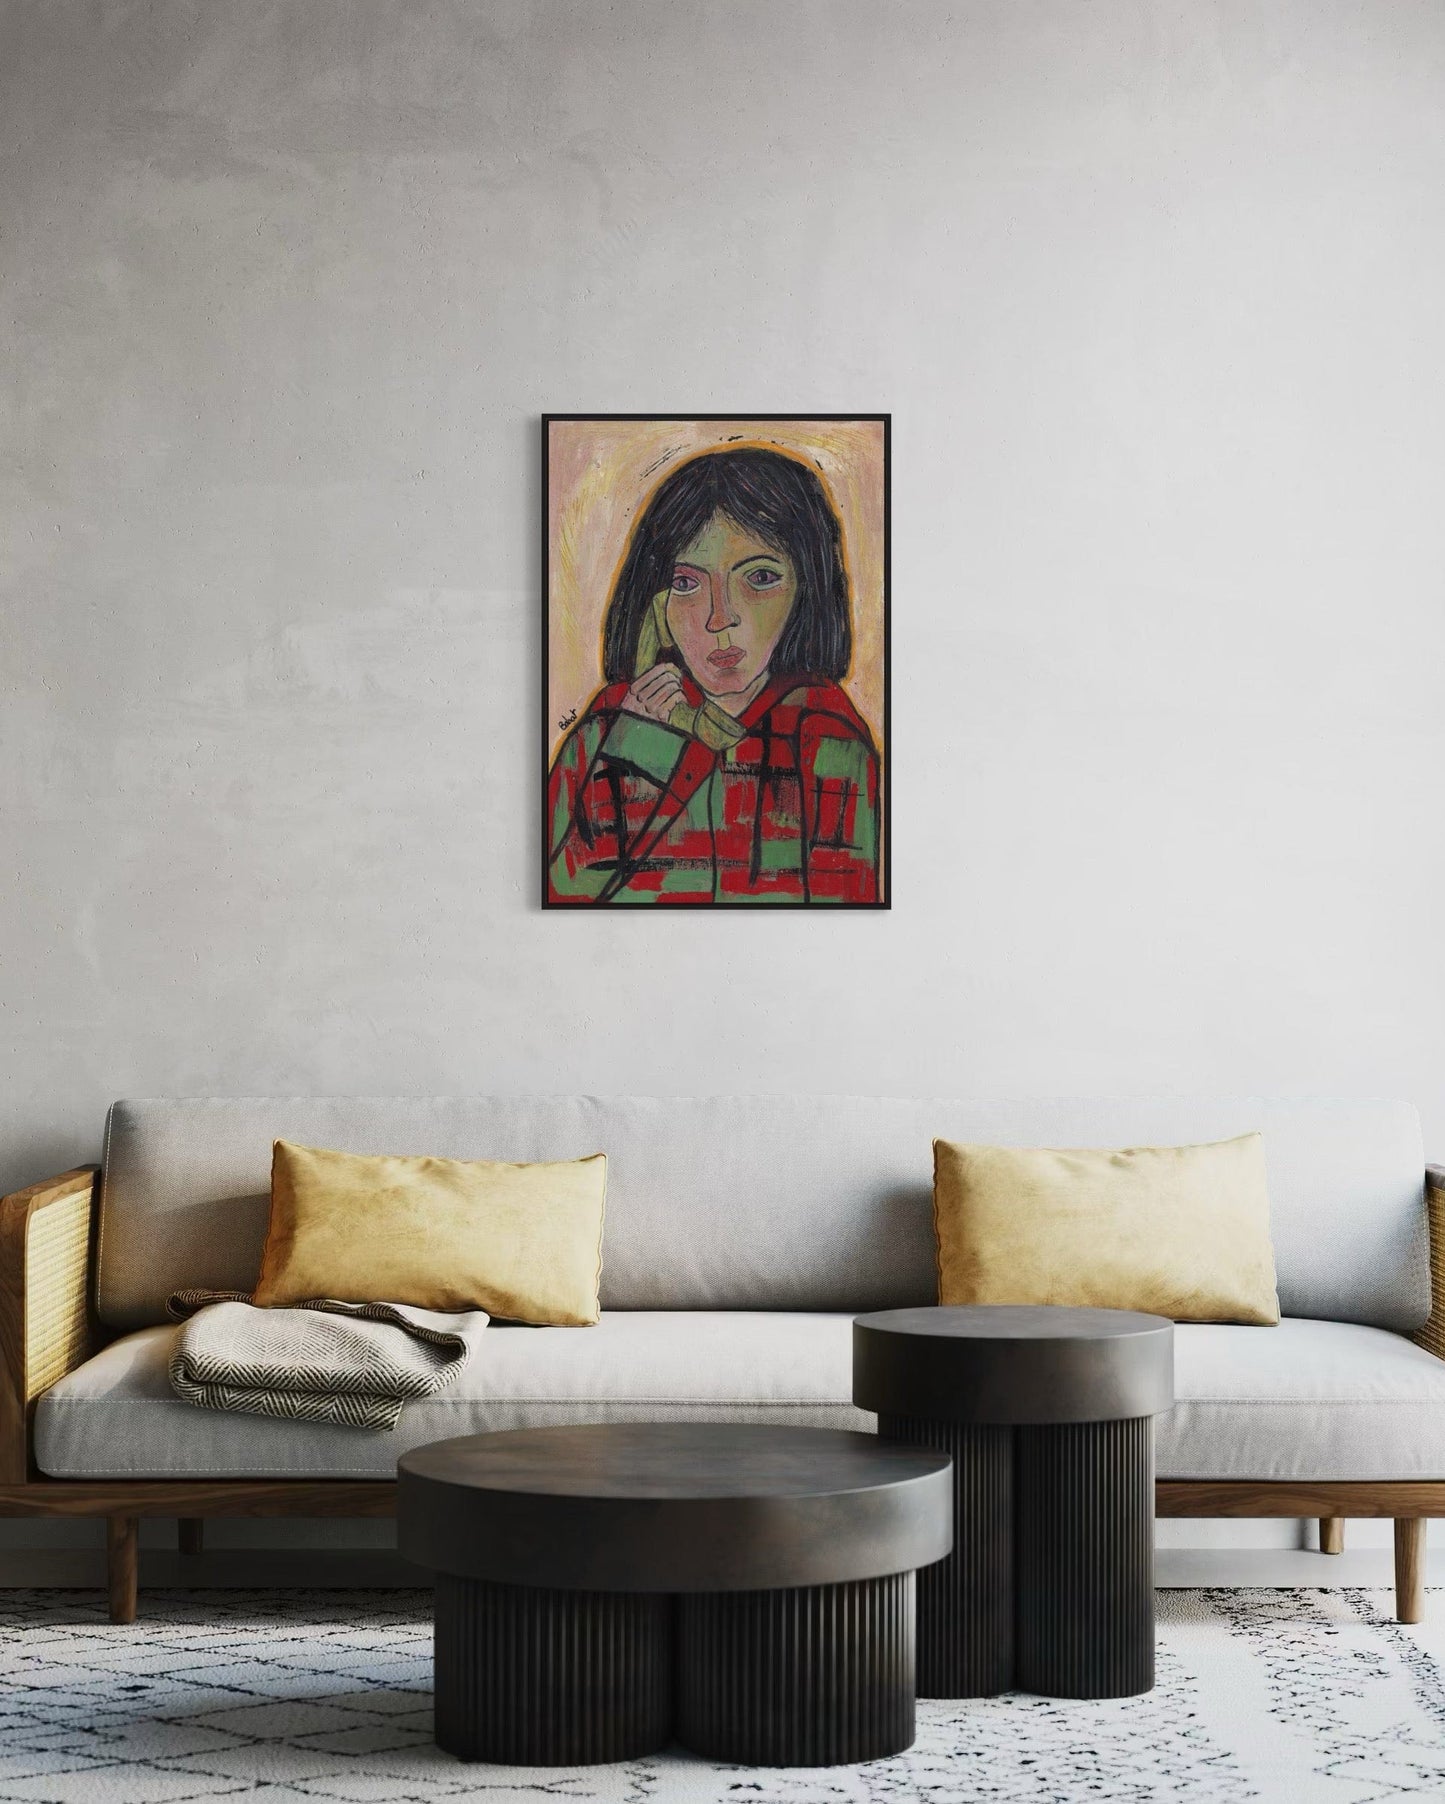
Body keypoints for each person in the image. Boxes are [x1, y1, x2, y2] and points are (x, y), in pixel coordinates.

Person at [548, 445, 881, 904]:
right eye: (686, 584)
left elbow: (849, 906)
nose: (719, 619)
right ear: (656, 604)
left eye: (759, 578)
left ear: (806, 589)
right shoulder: (606, 730)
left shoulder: (825, 732)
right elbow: (564, 894)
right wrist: (639, 747)